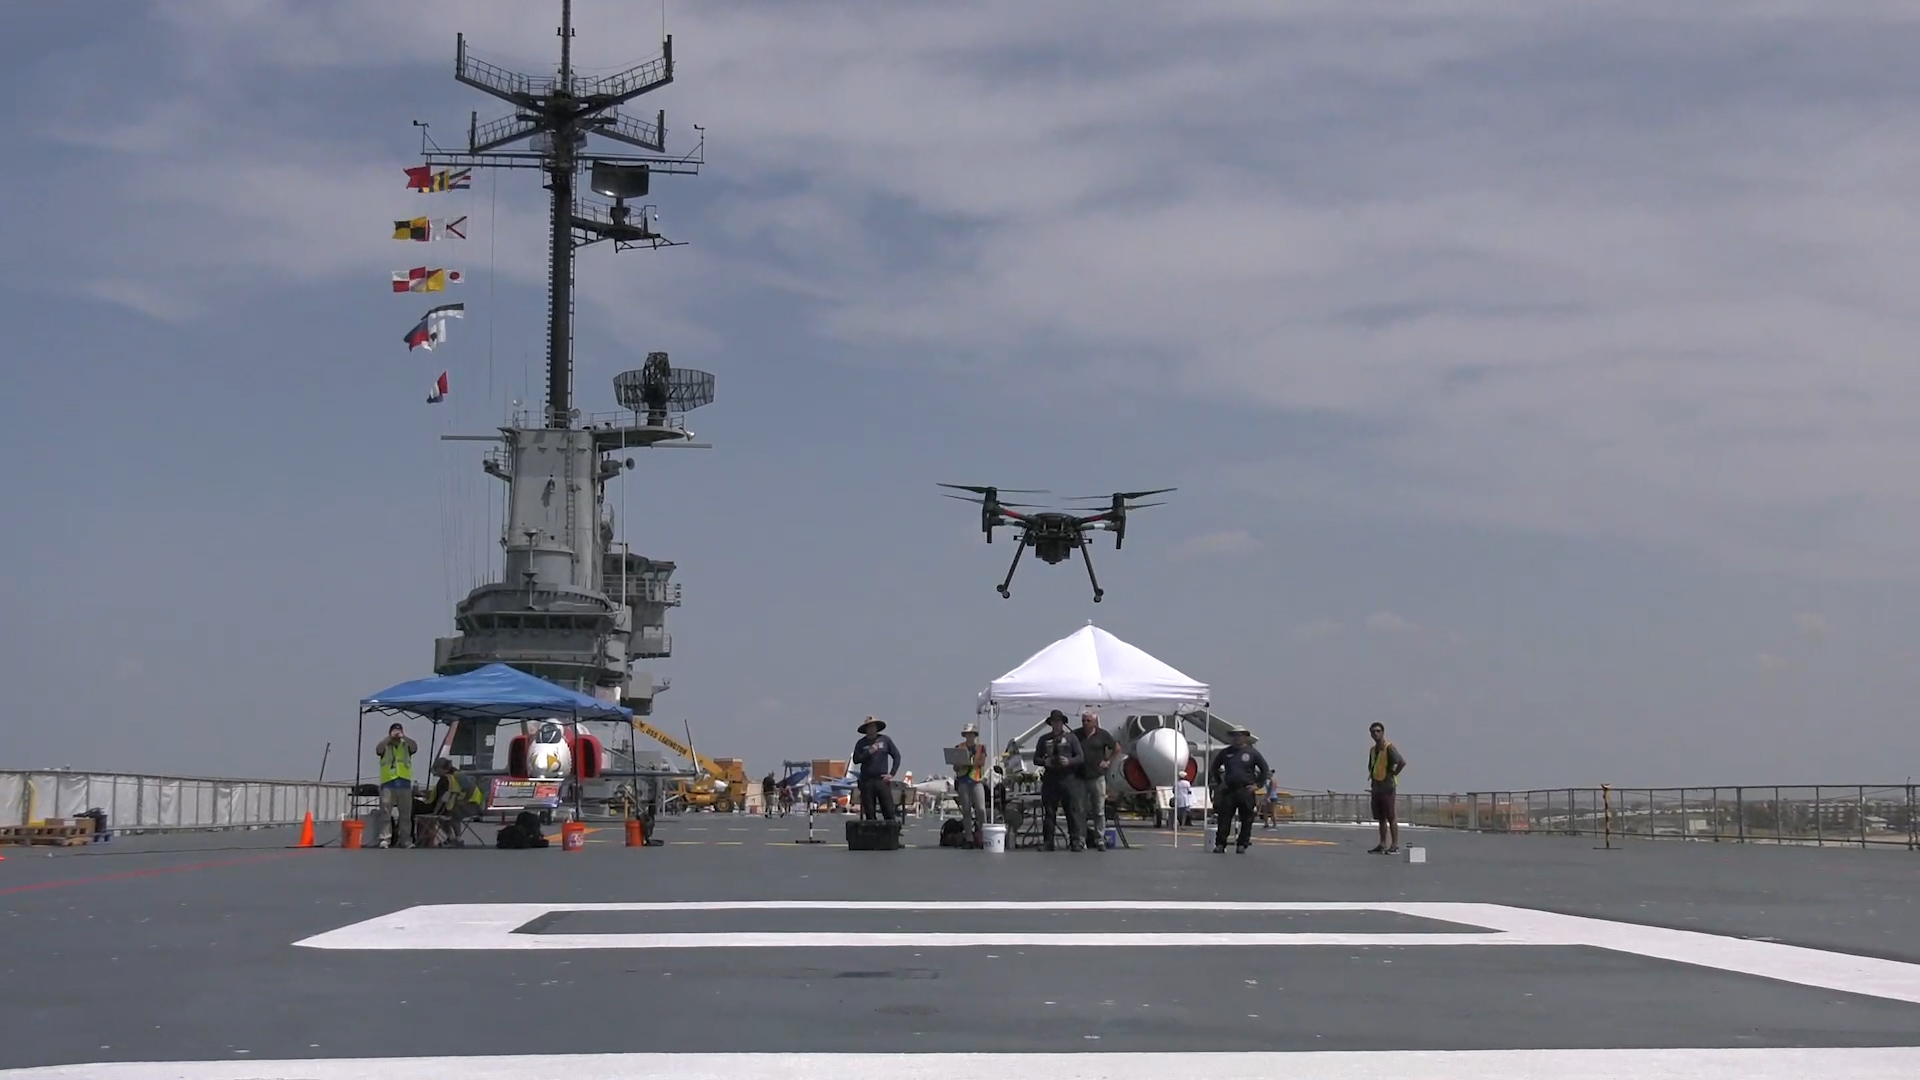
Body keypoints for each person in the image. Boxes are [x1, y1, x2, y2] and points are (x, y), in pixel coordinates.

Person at [1209, 725, 1271, 853]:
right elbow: (1214, 767)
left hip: (1245, 790)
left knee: (1247, 818)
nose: (1237, 738)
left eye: (1240, 735)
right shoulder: (1226, 753)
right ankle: (1220, 844)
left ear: (1245, 737)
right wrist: (1220, 782)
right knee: (1224, 818)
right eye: (1235, 735)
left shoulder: (1252, 753)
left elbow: (1265, 770)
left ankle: (1242, 843)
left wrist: (1257, 785)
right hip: (1229, 790)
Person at [1033, 710, 1086, 851]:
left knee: (1071, 811)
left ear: (1063, 723)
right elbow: (1036, 759)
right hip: (1051, 778)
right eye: (1054, 722)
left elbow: (1081, 757)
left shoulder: (1071, 738)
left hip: (1068, 778)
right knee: (1049, 812)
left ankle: (1074, 841)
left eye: (1059, 722)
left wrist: (1068, 761)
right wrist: (1046, 761)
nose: (1056, 724)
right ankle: (1048, 841)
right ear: (1051, 724)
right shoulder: (1044, 739)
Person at [1075, 710, 1118, 850]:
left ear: (1094, 721)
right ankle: (1081, 839)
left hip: (1097, 777)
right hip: (1080, 777)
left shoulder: (1102, 734)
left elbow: (1116, 748)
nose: (1085, 723)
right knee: (1081, 811)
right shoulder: (1077, 735)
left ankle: (1100, 839)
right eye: (1083, 721)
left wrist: (1108, 761)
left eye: (1088, 721)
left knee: (1099, 810)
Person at [373, 722, 418, 848]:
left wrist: (405, 737)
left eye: (399, 731)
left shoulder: (406, 745)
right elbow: (378, 750)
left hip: (404, 783)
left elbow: (415, 747)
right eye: (395, 731)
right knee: (385, 813)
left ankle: (406, 840)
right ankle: (385, 839)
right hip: (388, 783)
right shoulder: (386, 745)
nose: (397, 734)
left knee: (405, 815)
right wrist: (389, 738)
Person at [1367, 722, 1407, 854]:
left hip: (1387, 786)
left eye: (1378, 731)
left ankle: (1394, 844)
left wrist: (1394, 773)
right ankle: (1382, 843)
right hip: (1376, 786)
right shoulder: (1373, 750)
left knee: (1391, 816)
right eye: (1373, 732)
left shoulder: (1388, 748)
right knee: (1380, 817)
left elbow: (1401, 762)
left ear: (1383, 732)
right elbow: (1371, 766)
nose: (1376, 734)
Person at [851, 716, 901, 822]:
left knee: (888, 810)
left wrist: (892, 773)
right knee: (869, 811)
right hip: (866, 781)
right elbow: (856, 759)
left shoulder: (885, 740)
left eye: (873, 727)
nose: (871, 729)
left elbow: (896, 756)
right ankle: (872, 834)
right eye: (869, 727)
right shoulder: (861, 743)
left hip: (882, 780)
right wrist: (869, 752)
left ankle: (891, 833)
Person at [426, 757, 485, 846]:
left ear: (444, 769)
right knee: (443, 814)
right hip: (466, 802)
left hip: (474, 804)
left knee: (454, 812)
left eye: (436, 769)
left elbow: (470, 789)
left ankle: (458, 839)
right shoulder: (448, 778)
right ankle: (451, 837)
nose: (435, 772)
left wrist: (463, 801)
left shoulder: (458, 776)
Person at [954, 722, 989, 847]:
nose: (969, 736)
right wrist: (960, 764)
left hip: (976, 780)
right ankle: (969, 838)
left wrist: (967, 762)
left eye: (971, 734)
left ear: (974, 735)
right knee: (966, 810)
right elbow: (956, 767)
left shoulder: (981, 748)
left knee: (981, 809)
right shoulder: (959, 747)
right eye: (967, 734)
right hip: (963, 781)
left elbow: (981, 762)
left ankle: (984, 836)